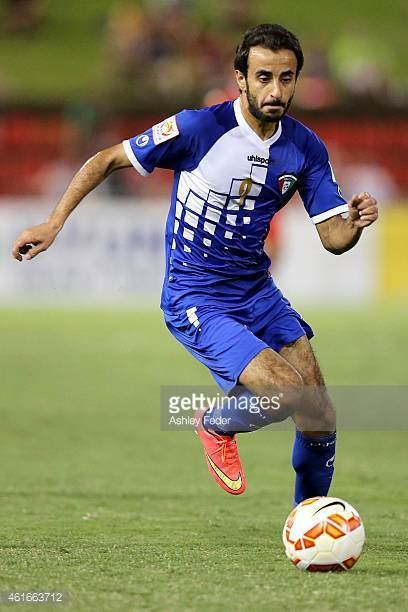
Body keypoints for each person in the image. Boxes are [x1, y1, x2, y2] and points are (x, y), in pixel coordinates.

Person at [12, 24, 378, 503]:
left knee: (319, 416)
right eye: (264, 77)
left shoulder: (305, 147)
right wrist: (54, 222)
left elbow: (333, 237)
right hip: (196, 295)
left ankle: (309, 520)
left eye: (286, 78)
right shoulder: (198, 128)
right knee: (287, 392)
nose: (275, 90)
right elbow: (105, 160)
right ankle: (213, 423)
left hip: (257, 292)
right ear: (240, 78)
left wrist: (353, 222)